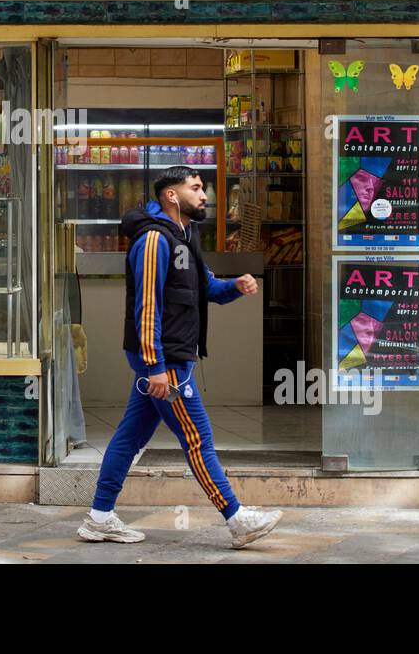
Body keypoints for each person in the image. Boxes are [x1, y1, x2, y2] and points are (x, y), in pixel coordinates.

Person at [77, 166, 283, 549]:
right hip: (165, 363)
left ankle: (99, 518)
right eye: (196, 188)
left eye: (203, 188)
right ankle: (237, 519)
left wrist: (235, 286)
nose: (204, 195)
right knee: (197, 438)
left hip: (171, 360)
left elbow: (207, 287)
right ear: (172, 195)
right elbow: (147, 307)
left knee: (129, 437)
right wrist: (155, 367)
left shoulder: (186, 236)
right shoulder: (155, 241)